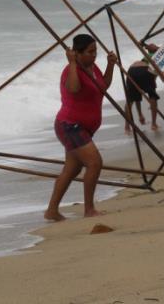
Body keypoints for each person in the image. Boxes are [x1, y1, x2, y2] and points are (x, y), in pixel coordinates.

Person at [44, 34, 117, 221]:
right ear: (76, 53)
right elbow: (74, 89)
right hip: (69, 125)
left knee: (72, 169)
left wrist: (111, 64)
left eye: (95, 52)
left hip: (83, 128)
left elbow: (103, 86)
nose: (94, 56)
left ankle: (51, 211)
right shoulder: (71, 71)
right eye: (89, 52)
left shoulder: (93, 68)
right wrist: (73, 64)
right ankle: (89, 209)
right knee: (94, 163)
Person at [124, 58, 159, 132]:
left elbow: (138, 96)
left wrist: (140, 115)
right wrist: (153, 84)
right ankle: (153, 124)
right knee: (153, 96)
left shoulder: (138, 61)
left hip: (131, 70)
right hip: (146, 71)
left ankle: (127, 127)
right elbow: (155, 74)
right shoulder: (155, 61)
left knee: (130, 99)